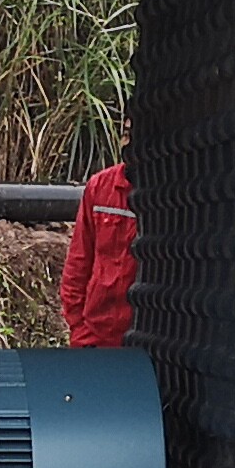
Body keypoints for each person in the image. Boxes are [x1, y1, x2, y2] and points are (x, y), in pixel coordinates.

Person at [60, 138, 137, 347]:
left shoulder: (167, 197)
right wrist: (78, 326)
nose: (128, 142)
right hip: (95, 333)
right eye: (126, 133)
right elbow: (78, 261)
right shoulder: (100, 187)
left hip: (143, 338)